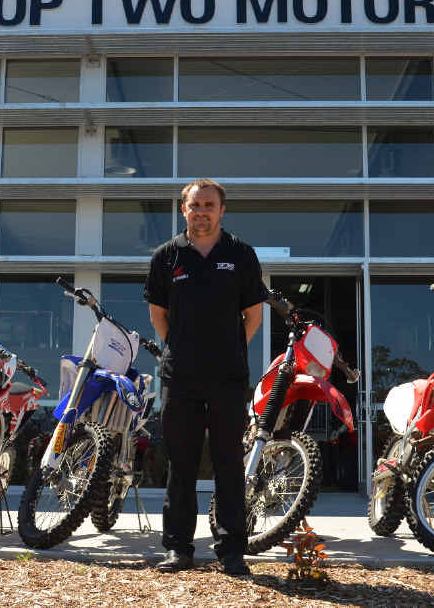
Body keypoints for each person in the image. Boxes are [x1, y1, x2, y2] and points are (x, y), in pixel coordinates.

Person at [143, 178, 268, 576]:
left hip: (228, 378)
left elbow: (253, 315)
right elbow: (158, 314)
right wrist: (179, 348)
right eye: (195, 205)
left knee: (228, 463)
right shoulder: (166, 256)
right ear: (184, 210)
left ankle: (232, 551)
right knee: (180, 465)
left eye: (209, 205)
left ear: (222, 210)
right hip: (180, 378)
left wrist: (229, 350)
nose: (202, 212)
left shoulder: (241, 254)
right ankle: (178, 549)